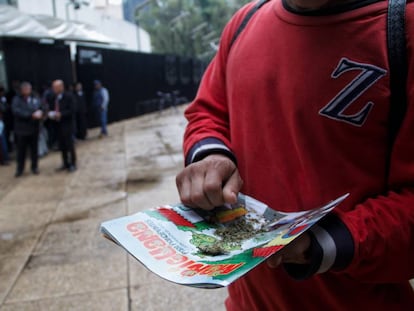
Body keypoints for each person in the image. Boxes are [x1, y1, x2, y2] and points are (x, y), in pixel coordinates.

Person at [175, 0, 414, 310]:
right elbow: (209, 111)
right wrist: (209, 156)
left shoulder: (402, 28)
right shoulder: (244, 22)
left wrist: (325, 242)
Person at [11, 82, 43, 177]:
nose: (28, 90)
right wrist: (30, 115)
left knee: (34, 149)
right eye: (26, 89)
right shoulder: (17, 99)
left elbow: (40, 106)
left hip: (34, 128)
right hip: (22, 129)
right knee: (21, 151)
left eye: (29, 89)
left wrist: (40, 112)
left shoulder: (35, 97)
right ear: (22, 90)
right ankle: (20, 169)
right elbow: (16, 111)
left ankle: (34, 167)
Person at [48, 80, 77, 172]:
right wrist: (51, 113)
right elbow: (52, 108)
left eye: (56, 87)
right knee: (62, 145)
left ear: (61, 87)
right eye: (53, 87)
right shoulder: (53, 97)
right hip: (57, 125)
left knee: (69, 145)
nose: (54, 89)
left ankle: (72, 163)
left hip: (67, 125)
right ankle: (65, 163)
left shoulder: (69, 96)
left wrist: (61, 114)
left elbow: (72, 110)